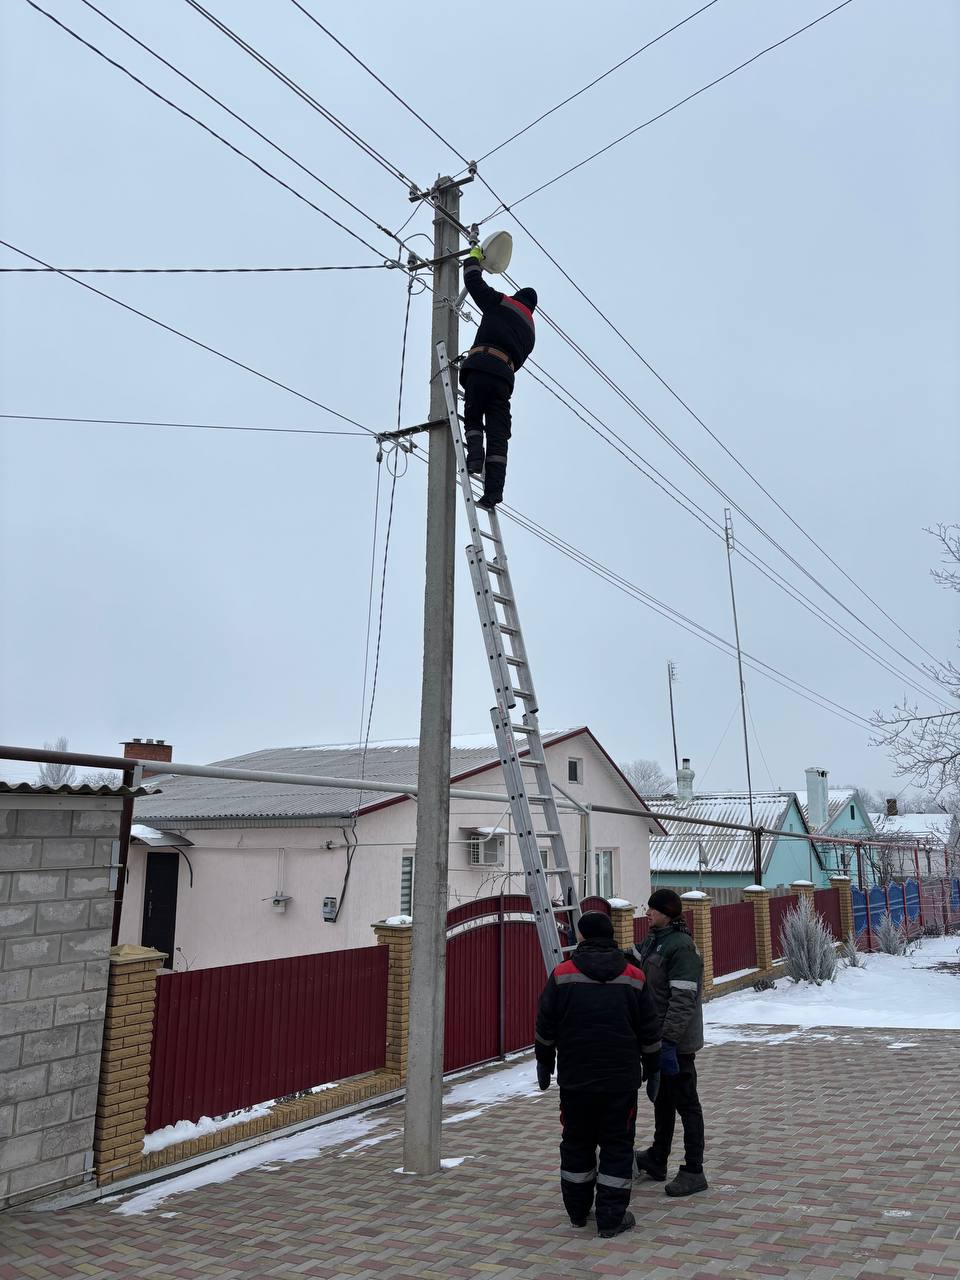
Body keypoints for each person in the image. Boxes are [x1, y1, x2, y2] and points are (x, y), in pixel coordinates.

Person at [535, 910, 661, 1238]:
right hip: (620, 1082)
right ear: (611, 936)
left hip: (576, 1080)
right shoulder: (634, 976)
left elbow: (545, 1026)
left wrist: (544, 1062)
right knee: (617, 1145)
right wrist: (654, 1066)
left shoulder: (562, 975)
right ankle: (610, 1219)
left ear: (582, 937)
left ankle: (578, 1212)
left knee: (576, 1141)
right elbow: (649, 1030)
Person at [629, 889, 708, 1197]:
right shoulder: (655, 940)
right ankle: (657, 1158)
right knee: (662, 1101)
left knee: (687, 1104)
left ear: (667, 913)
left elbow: (683, 999)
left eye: (652, 909)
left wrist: (669, 1042)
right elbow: (633, 956)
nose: (647, 912)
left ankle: (694, 1170)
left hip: (677, 1043)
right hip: (656, 1039)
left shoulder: (682, 948)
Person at [459, 246, 537, 510]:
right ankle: (493, 493)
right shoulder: (531, 332)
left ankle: (473, 458)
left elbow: (472, 282)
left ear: (517, 297)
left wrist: (474, 258)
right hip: (503, 380)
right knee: (498, 436)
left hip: (481, 366)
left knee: (472, 416)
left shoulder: (502, 302)